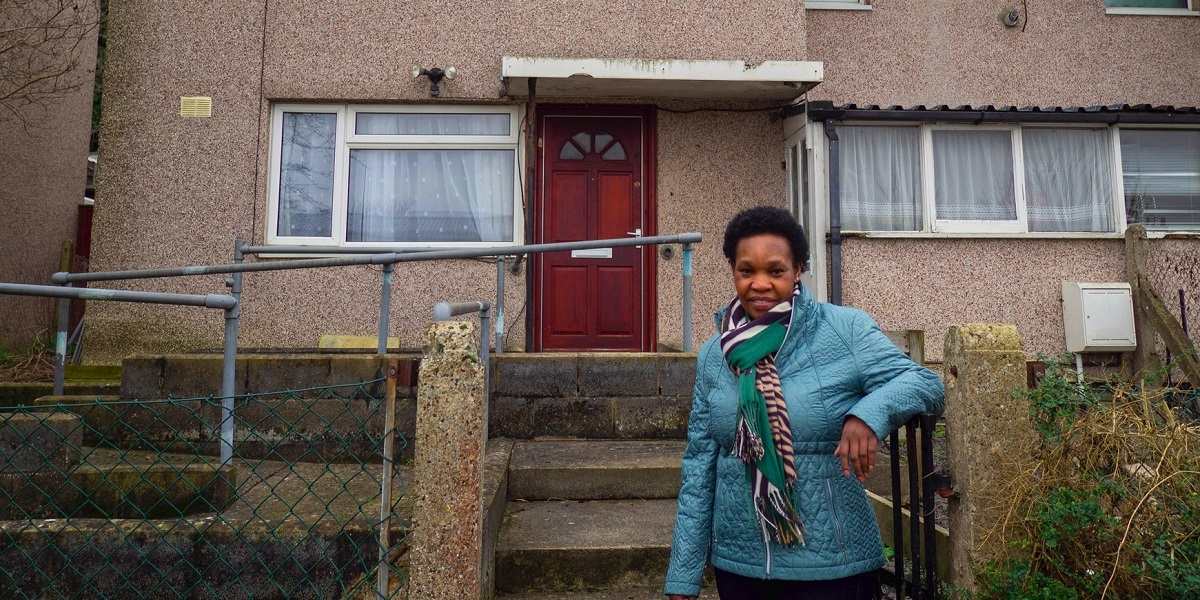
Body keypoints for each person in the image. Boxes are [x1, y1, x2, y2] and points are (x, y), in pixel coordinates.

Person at [664, 206, 944, 600]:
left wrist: (867, 414)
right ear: (733, 271)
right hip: (740, 566)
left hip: (832, 568)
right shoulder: (715, 354)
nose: (759, 284)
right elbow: (699, 468)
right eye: (747, 271)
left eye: (775, 271)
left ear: (798, 270)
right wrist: (683, 576)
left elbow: (924, 382)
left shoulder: (843, 330)